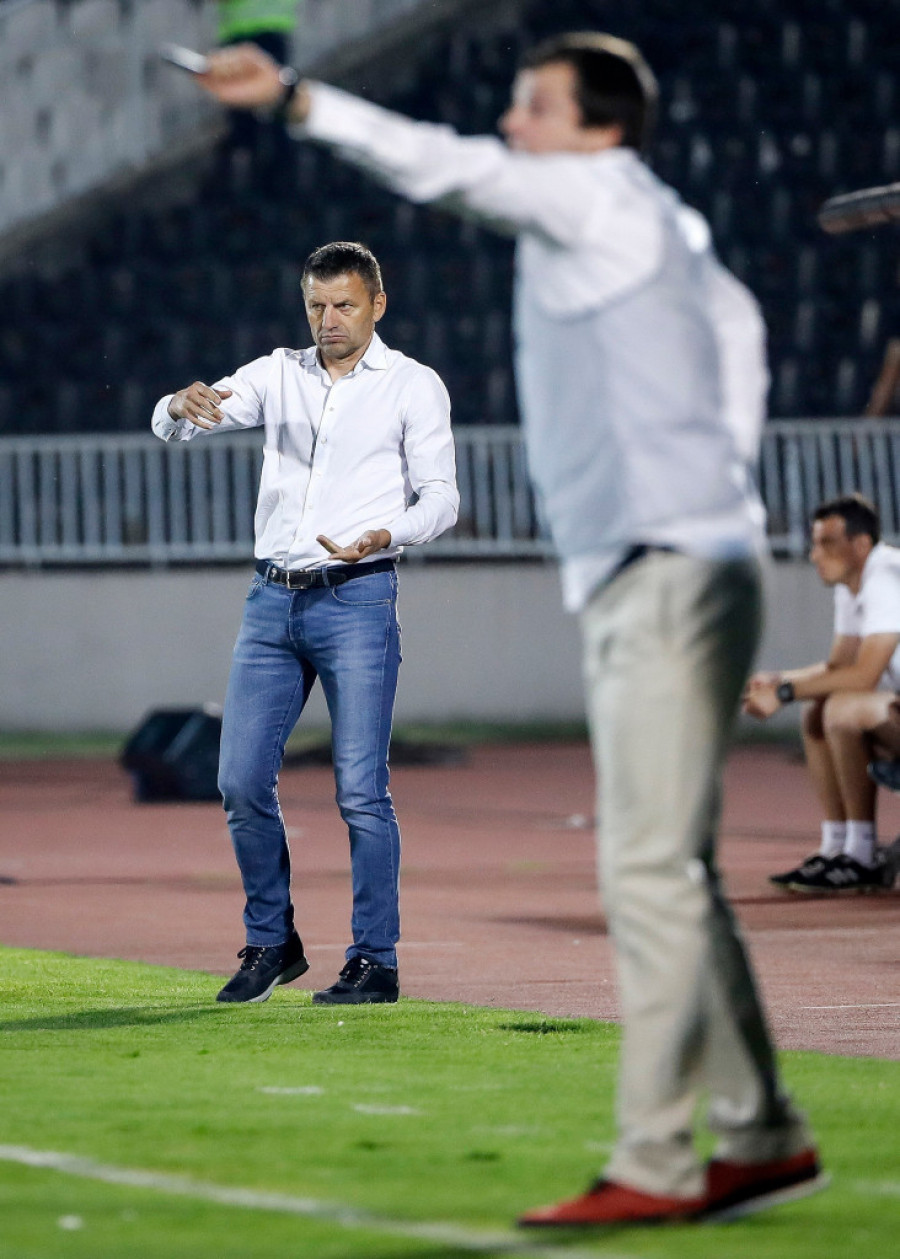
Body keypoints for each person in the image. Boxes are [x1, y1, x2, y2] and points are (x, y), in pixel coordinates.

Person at [189, 31, 824, 1227]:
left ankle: (659, 1159)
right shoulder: (667, 231)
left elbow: (444, 166)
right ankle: (760, 1131)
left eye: (535, 106)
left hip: (662, 566)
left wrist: (296, 98)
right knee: (670, 867)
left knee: (645, 867)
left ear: (600, 128)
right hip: (684, 558)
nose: (512, 125)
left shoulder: (591, 198)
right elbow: (739, 342)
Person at [151, 241, 458, 1006]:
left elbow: (442, 499)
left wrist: (386, 533)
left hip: (358, 598)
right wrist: (177, 406)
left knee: (361, 791)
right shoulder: (276, 373)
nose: (328, 319)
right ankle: (272, 942)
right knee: (238, 780)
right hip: (271, 601)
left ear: (377, 304)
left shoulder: (413, 385)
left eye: (344, 304)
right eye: (316, 305)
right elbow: (185, 421)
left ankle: (375, 960)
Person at [744, 494, 900, 894]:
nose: (815, 555)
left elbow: (863, 676)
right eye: (815, 543)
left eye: (826, 543)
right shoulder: (853, 585)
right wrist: (777, 680)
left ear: (860, 544)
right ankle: (839, 847)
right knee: (817, 711)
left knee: (844, 710)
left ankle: (861, 856)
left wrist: (784, 692)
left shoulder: (885, 577)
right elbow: (837, 668)